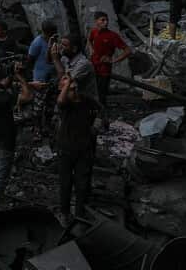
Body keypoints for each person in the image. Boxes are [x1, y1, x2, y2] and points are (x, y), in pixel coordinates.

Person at [54, 34, 99, 222]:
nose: (61, 47)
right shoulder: (65, 106)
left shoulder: (86, 101)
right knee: (66, 182)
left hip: (82, 146)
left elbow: (100, 109)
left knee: (81, 181)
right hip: (68, 147)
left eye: (65, 45)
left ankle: (80, 212)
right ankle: (65, 212)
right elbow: (61, 96)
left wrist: (96, 125)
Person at [0, 62, 32, 218]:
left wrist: (10, 75)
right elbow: (27, 96)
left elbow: (2, 84)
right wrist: (21, 79)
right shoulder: (2, 97)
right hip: (4, 139)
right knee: (0, 176)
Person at [87, 12, 130, 125]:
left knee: (102, 94)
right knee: (93, 92)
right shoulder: (94, 32)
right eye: (102, 20)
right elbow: (89, 40)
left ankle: (103, 119)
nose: (106, 22)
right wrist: (91, 51)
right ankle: (93, 114)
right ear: (96, 21)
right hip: (93, 67)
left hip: (104, 70)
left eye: (106, 20)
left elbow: (127, 50)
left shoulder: (112, 36)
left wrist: (114, 60)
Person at [26, 21, 59, 136]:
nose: (56, 34)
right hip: (40, 79)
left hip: (52, 78)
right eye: (54, 32)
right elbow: (30, 60)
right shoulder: (37, 42)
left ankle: (47, 126)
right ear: (48, 32)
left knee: (50, 104)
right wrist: (31, 80)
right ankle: (37, 128)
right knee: (38, 107)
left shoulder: (54, 42)